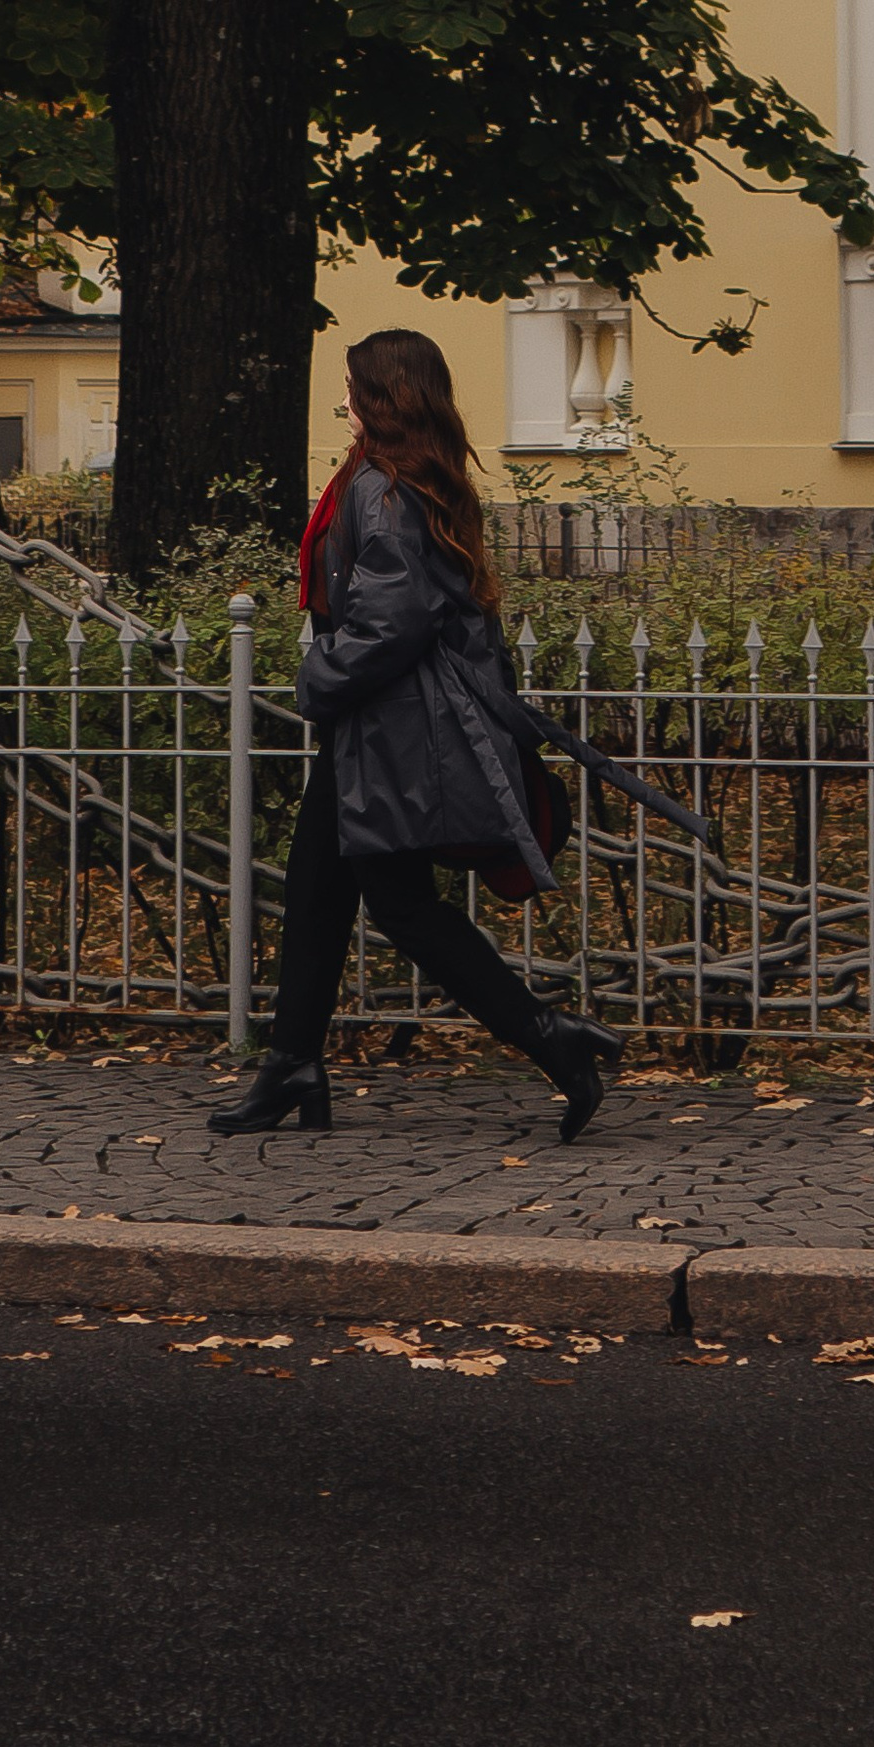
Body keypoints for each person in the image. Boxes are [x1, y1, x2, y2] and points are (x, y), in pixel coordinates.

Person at [209, 327, 622, 1145]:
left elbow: (393, 618)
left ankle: (552, 1039)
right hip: (381, 724)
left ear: (386, 396)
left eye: (357, 388)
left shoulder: (386, 488)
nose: (348, 402)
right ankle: (292, 1062)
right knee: (318, 888)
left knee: (399, 904)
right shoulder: (406, 476)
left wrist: (317, 681)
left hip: (390, 725)